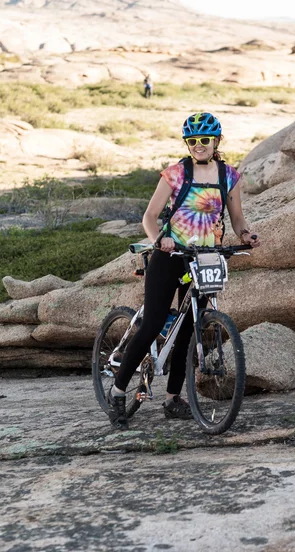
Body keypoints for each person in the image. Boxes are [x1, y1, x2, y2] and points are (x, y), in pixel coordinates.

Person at [107, 112, 260, 429]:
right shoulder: (175, 174)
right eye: (193, 141)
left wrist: (245, 235)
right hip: (170, 255)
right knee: (151, 325)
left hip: (204, 258)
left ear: (216, 141)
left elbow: (237, 220)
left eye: (205, 140)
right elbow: (149, 217)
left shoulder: (229, 176)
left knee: (190, 331)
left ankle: (172, 398)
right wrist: (159, 240)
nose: (199, 146)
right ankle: (119, 391)